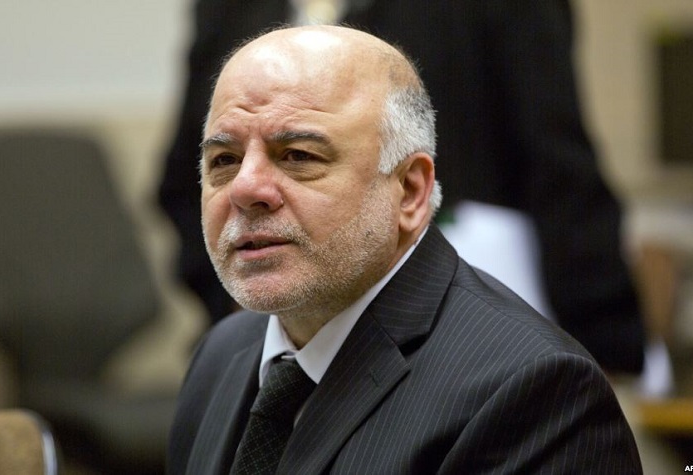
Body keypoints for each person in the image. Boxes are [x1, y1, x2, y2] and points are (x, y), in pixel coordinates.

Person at [167, 25, 642, 473]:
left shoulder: (534, 391)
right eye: (224, 160)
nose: (245, 188)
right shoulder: (222, 354)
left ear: (411, 191)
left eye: (298, 156)